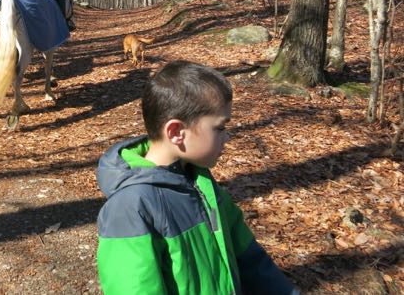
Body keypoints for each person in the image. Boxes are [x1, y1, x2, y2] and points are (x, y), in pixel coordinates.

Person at [96, 60, 300, 295]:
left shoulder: (201, 185)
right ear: (176, 133)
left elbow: (249, 258)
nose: (227, 137)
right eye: (220, 128)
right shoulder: (130, 208)